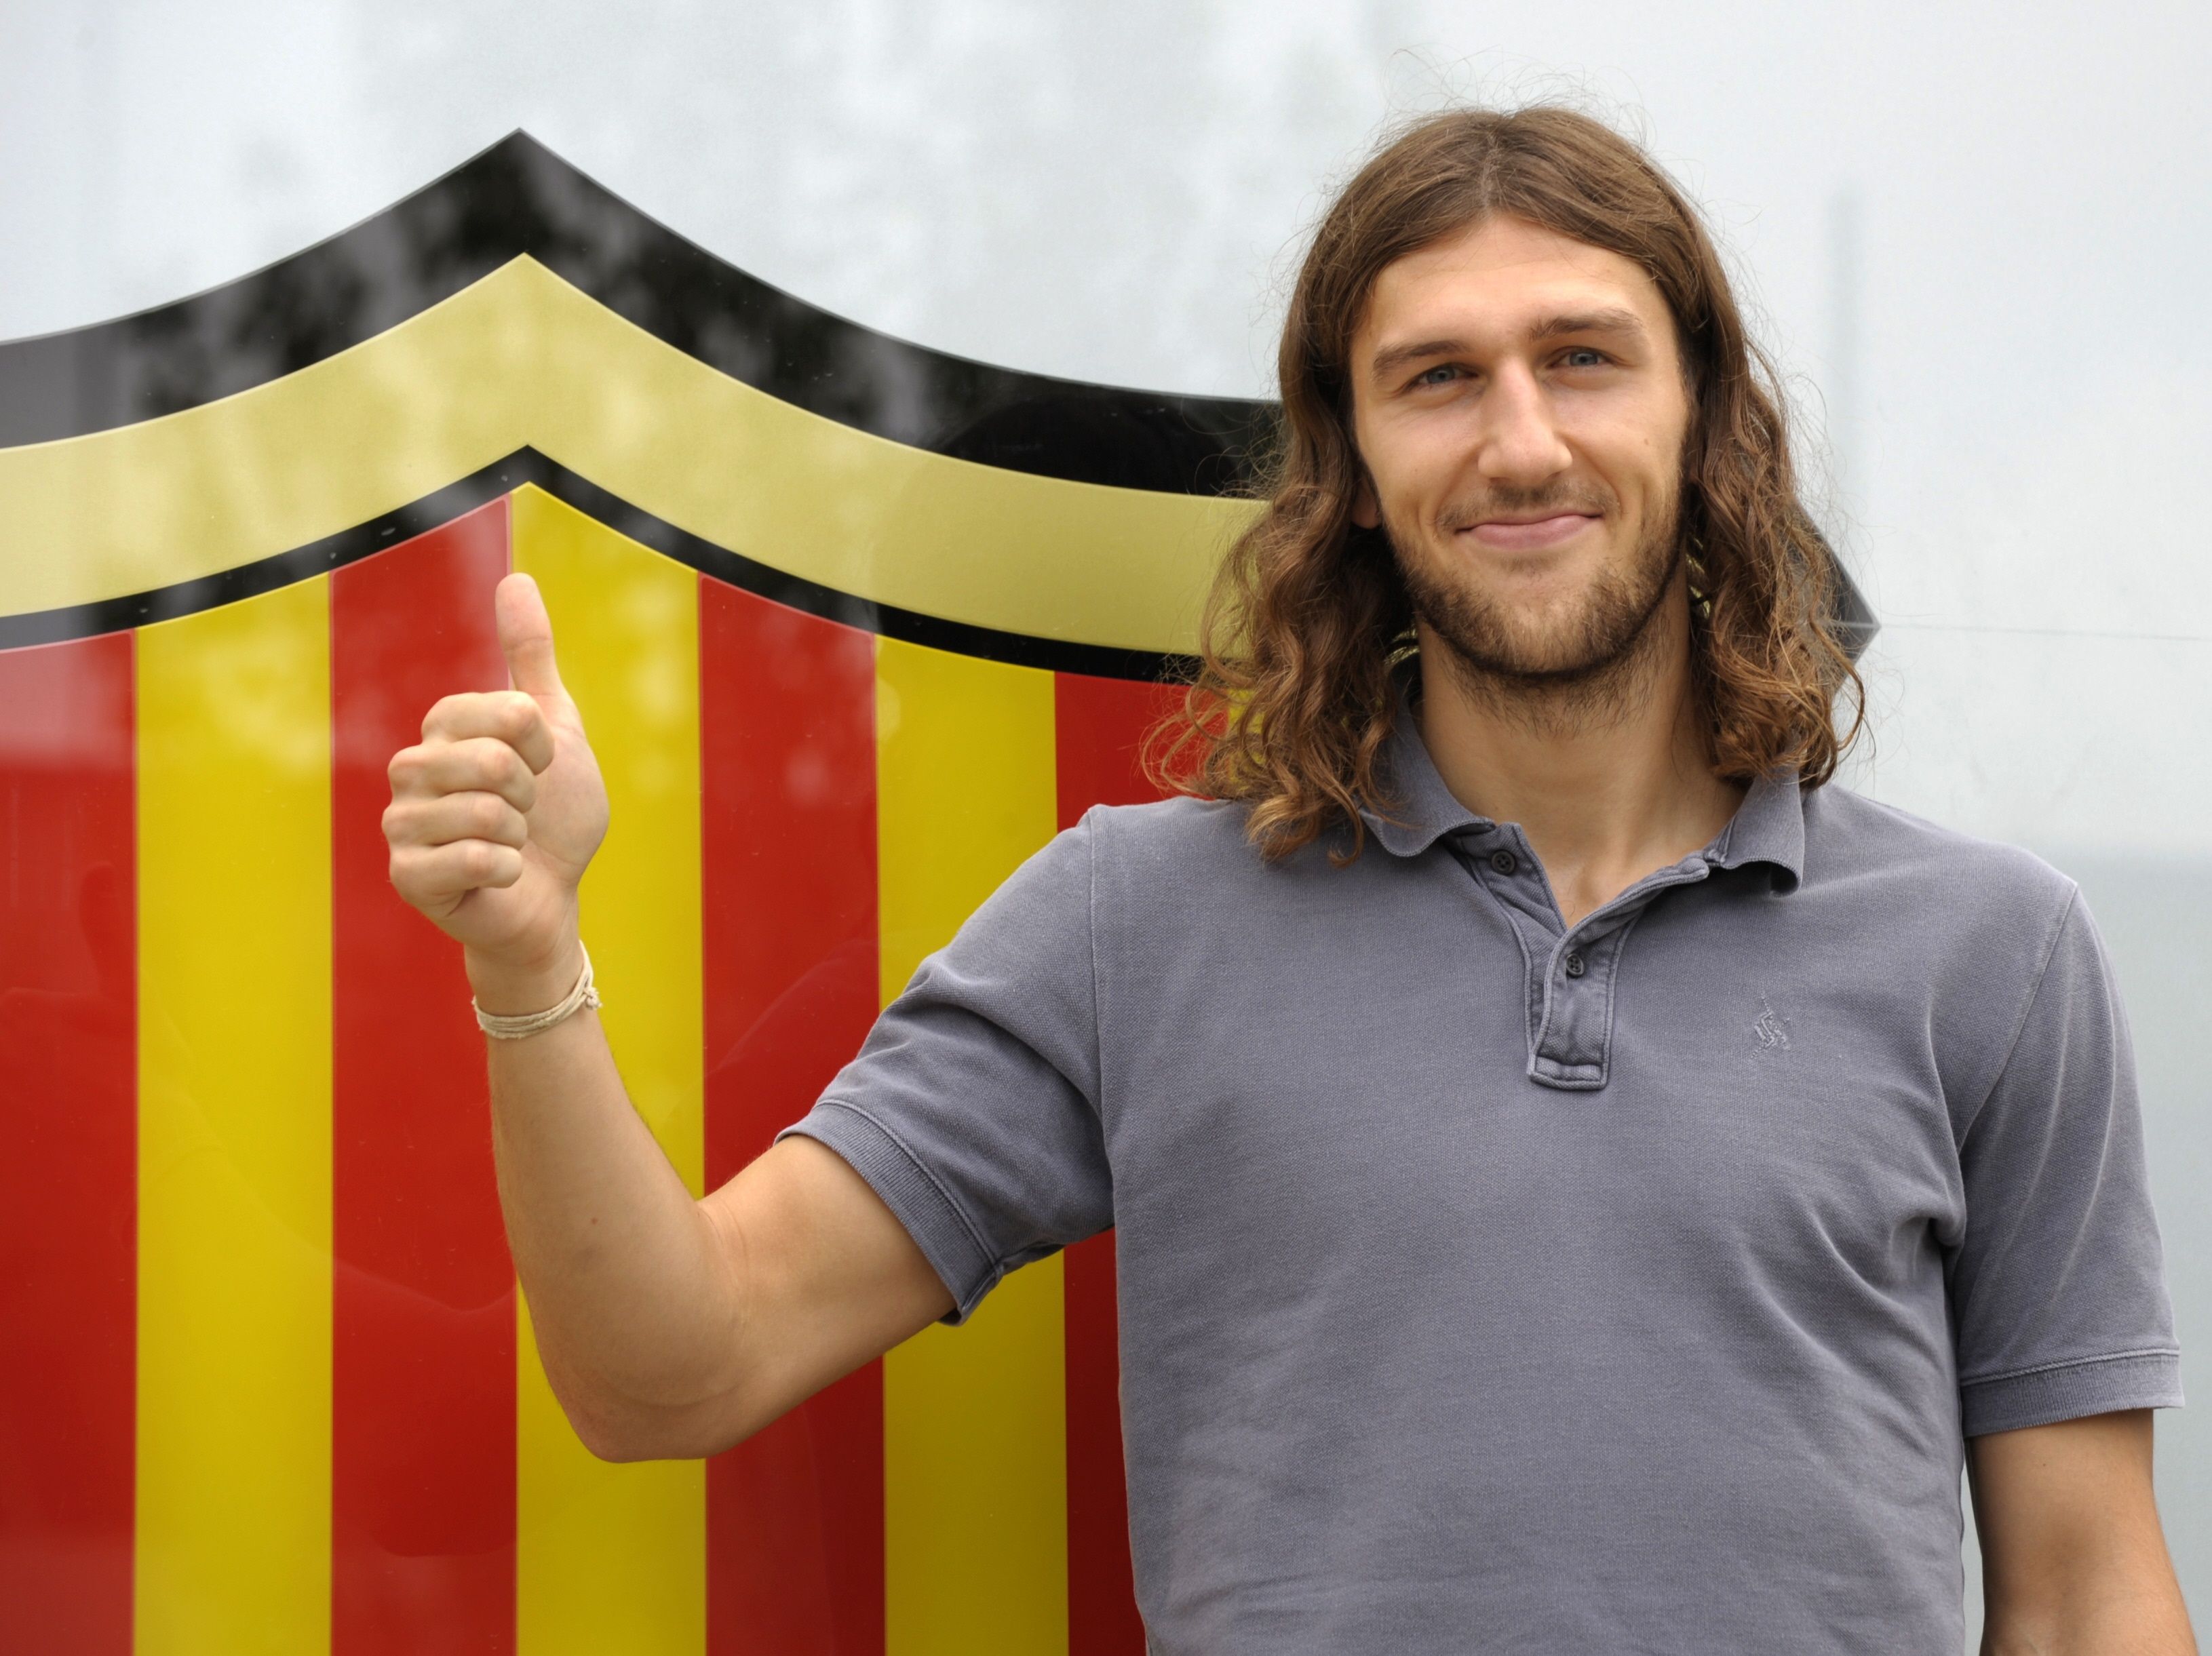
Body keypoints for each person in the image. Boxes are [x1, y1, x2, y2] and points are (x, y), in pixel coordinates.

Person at [381, 106, 2194, 1653]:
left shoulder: (1992, 954)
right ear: (1355, 469)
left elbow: (2084, 1595)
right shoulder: (1134, 925)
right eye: (1438, 379)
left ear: (1704, 419)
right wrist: (529, 962)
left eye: (1582, 357)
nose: (1522, 441)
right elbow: (671, 1371)